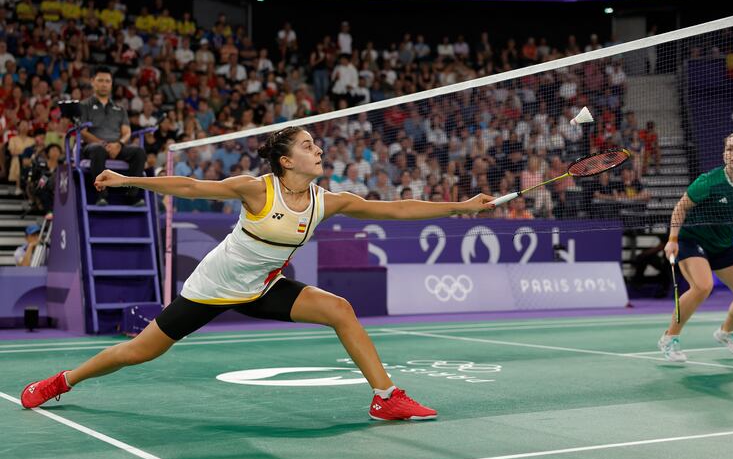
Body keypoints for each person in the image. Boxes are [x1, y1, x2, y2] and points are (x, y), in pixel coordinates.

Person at [20, 126, 495, 420]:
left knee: (340, 310)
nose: (318, 150)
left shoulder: (325, 202)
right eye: (308, 146)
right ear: (286, 160)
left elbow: (394, 208)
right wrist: (129, 180)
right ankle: (62, 382)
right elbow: (189, 184)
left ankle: (385, 396)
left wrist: (460, 207)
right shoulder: (255, 190)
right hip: (213, 288)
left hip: (262, 287)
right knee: (139, 351)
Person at [658, 126, 733, 362]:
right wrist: (672, 239)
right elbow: (680, 207)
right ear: (724, 155)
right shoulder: (709, 181)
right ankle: (669, 338)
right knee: (702, 286)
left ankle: (725, 332)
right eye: (730, 149)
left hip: (722, 244)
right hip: (692, 240)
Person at [79, 66, 146, 206]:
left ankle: (131, 196)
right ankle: (101, 195)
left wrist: (119, 144)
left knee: (139, 152)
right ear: (93, 82)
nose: (104, 84)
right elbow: (83, 132)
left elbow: (127, 132)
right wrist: (104, 144)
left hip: (117, 146)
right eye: (100, 80)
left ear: (111, 84)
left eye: (107, 81)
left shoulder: (120, 109)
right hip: (93, 147)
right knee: (98, 150)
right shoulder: (84, 105)